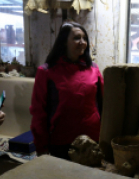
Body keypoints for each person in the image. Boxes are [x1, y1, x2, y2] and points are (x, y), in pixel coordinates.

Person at [30, 21, 104, 160]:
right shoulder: (47, 71)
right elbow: (38, 113)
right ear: (64, 42)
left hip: (93, 139)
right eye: (76, 38)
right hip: (62, 142)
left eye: (84, 38)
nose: (82, 42)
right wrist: (41, 147)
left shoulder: (94, 69)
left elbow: (102, 104)